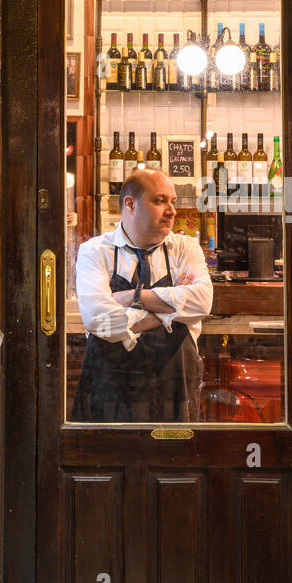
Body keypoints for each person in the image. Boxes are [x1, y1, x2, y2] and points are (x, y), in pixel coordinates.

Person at [71, 168, 213, 422]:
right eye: (160, 201)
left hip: (174, 389)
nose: (172, 210)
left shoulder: (185, 248)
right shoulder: (95, 252)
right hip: (109, 391)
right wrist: (172, 311)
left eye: (173, 201)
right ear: (130, 204)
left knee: (172, 460)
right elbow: (99, 321)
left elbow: (202, 302)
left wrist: (133, 298)